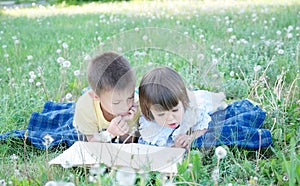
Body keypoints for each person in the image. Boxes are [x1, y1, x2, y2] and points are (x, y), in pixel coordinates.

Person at [138, 67, 272, 149]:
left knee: (219, 125)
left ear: (183, 102)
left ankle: (254, 129)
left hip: (205, 108)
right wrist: (175, 146)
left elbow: (204, 126)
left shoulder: (190, 111)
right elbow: (150, 149)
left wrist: (190, 137)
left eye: (174, 111)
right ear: (149, 112)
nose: (171, 118)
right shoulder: (150, 127)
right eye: (161, 115)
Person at [73, 51, 140, 143]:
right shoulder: (85, 108)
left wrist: (126, 123)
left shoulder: (136, 105)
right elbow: (92, 144)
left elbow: (128, 143)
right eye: (116, 102)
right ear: (96, 97)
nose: (126, 106)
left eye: (130, 97)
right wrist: (110, 133)